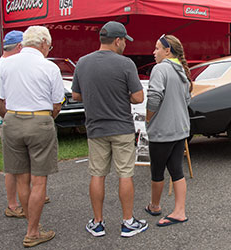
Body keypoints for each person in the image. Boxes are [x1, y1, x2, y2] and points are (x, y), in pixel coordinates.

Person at [71, 21, 147, 238]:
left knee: (97, 174)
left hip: (96, 128)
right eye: (124, 40)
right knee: (125, 174)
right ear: (117, 40)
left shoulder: (83, 63)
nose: (125, 44)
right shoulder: (125, 64)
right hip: (121, 127)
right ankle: (128, 222)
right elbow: (138, 97)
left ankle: (97, 223)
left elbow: (76, 95)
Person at [0, 26, 64, 247]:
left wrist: (9, 117)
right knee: (39, 180)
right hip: (39, 120)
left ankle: (31, 226)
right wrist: (47, 118)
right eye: (49, 46)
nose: (49, 50)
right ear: (43, 43)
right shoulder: (49, 67)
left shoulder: (5, 65)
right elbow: (57, 103)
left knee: (21, 177)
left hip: (12, 119)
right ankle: (33, 231)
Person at [145, 34, 191, 227]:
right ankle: (180, 211)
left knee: (157, 170)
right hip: (180, 129)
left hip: (162, 130)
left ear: (167, 51)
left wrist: (148, 117)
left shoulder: (160, 69)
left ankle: (155, 206)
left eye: (156, 48)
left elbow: (154, 97)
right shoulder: (182, 70)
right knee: (176, 170)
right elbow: (187, 100)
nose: (153, 52)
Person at [0, 31, 25, 219]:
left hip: (10, 120)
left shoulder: (3, 64)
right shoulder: (4, 66)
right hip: (8, 121)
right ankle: (12, 205)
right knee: (13, 166)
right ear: (19, 47)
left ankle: (25, 196)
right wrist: (8, 117)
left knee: (18, 163)